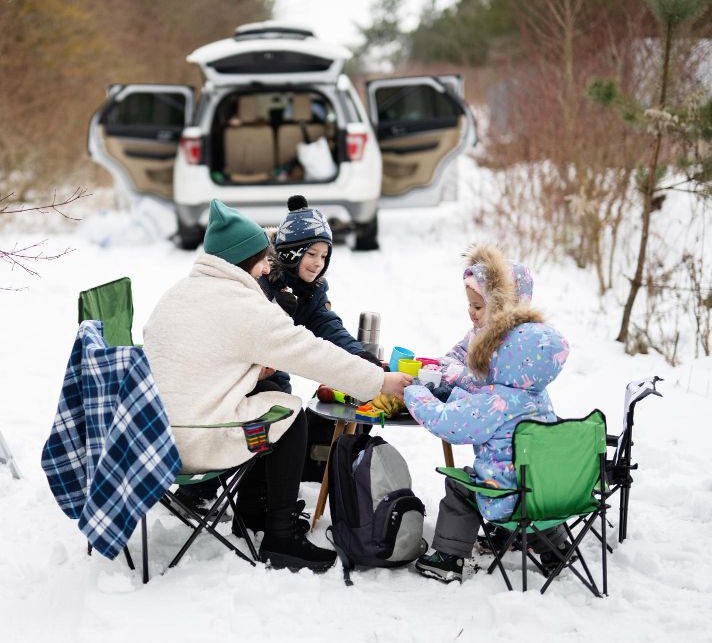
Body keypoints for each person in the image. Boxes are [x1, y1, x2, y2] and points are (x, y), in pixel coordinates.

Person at [143, 199, 411, 572]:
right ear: (242, 260)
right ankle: (280, 536)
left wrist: (249, 371)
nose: (268, 266)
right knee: (290, 412)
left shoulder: (178, 294)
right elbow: (311, 353)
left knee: (265, 399)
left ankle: (252, 509)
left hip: (152, 440)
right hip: (198, 439)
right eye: (261, 259)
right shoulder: (246, 306)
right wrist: (379, 380)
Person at [404, 291, 571, 583]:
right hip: (550, 496)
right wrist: (459, 395)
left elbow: (448, 424)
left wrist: (415, 393)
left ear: (505, 356)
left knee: (461, 485)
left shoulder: (496, 400)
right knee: (531, 485)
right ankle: (554, 549)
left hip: (505, 500)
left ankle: (448, 558)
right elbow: (485, 413)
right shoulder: (539, 397)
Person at [258, 195, 382, 395]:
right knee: (281, 403)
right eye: (312, 254)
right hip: (246, 370)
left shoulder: (312, 290)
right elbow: (251, 328)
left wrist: (359, 356)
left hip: (274, 367)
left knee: (288, 404)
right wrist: (275, 308)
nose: (319, 263)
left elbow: (327, 326)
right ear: (292, 252)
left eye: (324, 256)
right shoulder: (261, 276)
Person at [436, 244, 535, 397]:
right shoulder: (478, 332)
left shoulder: (513, 344)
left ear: (499, 307)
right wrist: (438, 365)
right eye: (470, 304)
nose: (470, 311)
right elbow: (458, 354)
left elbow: (485, 385)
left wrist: (454, 373)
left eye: (477, 306)